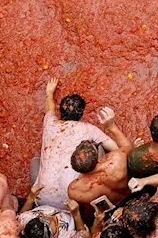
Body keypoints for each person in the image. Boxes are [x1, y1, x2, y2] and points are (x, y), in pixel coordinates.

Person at [35, 79, 118, 208]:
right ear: (81, 113)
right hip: (70, 201)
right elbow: (115, 148)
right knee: (100, 149)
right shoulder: (89, 129)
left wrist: (49, 92)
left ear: (60, 110)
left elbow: (49, 108)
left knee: (35, 161)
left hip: (40, 198)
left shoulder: (50, 123)